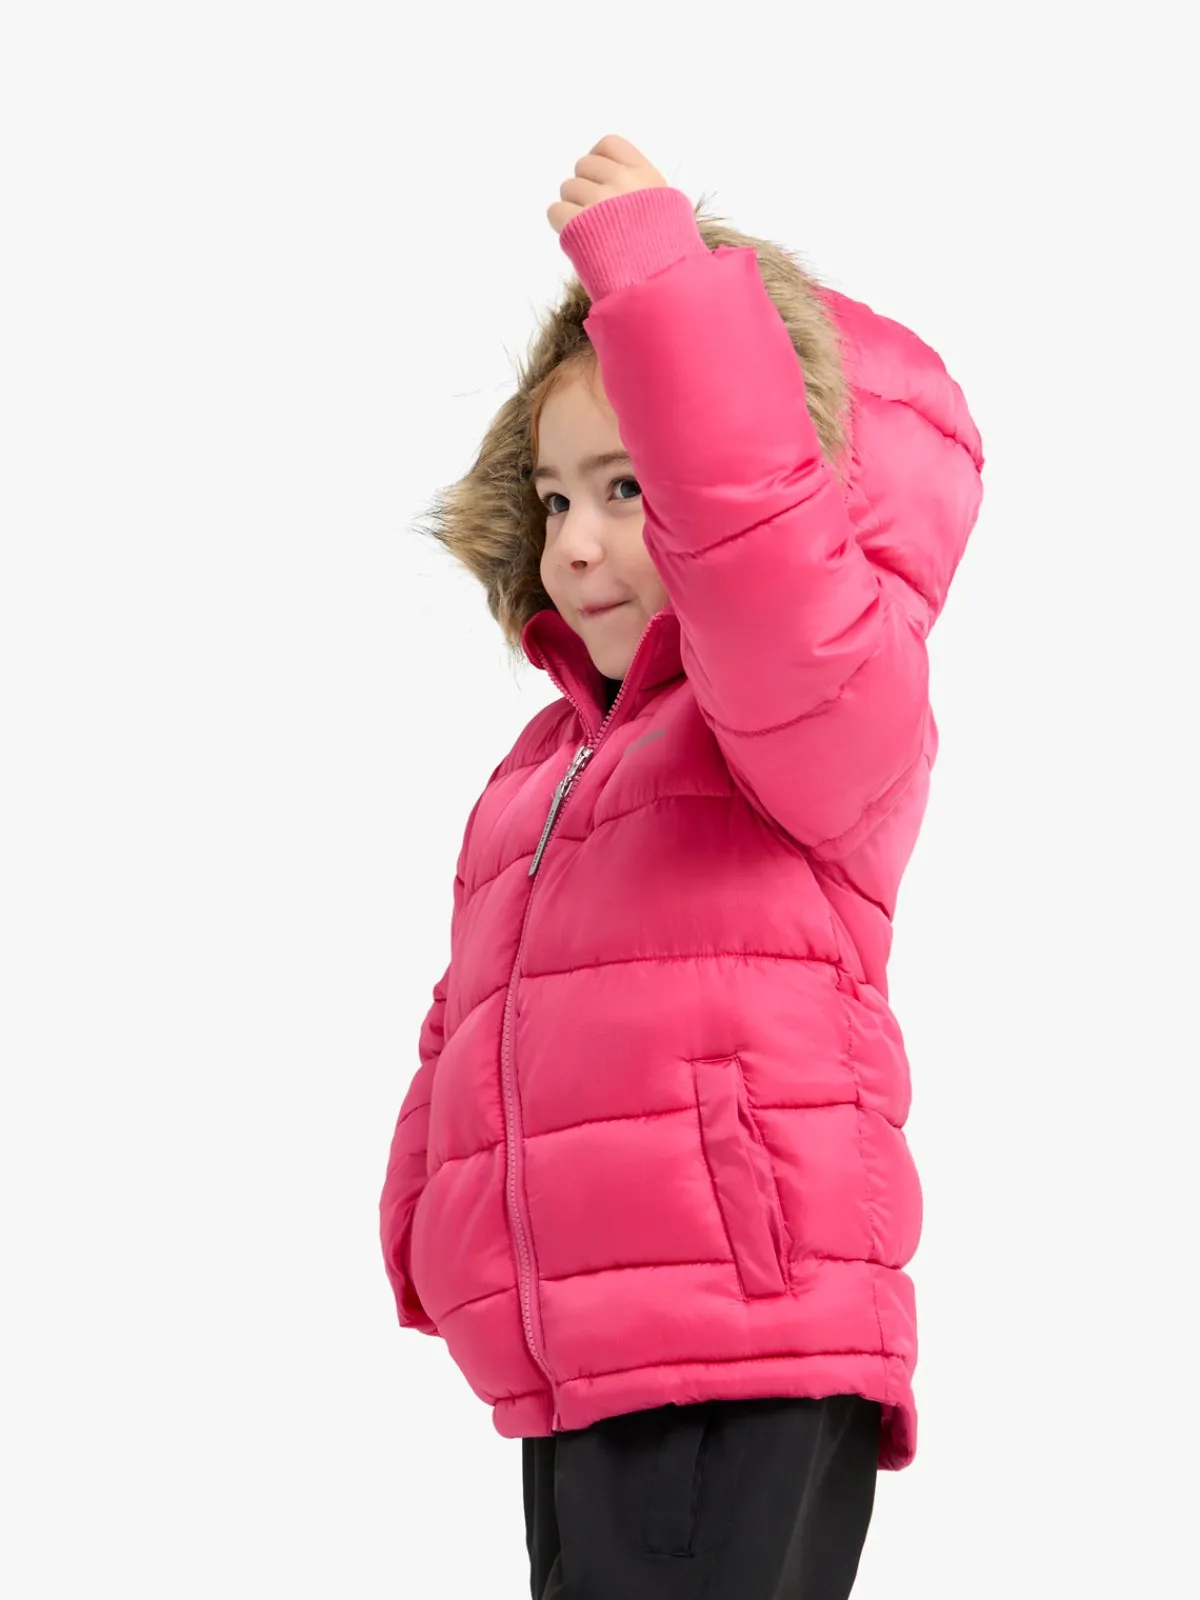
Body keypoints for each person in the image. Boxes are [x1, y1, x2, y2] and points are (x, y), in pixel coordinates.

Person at [379, 134, 984, 1599]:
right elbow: (471, 1011)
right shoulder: (551, 762)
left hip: (742, 1342)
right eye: (555, 499)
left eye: (631, 489)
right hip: (589, 1345)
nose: (577, 547)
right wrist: (427, 1218)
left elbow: (769, 573)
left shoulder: (804, 710)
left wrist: (664, 295)